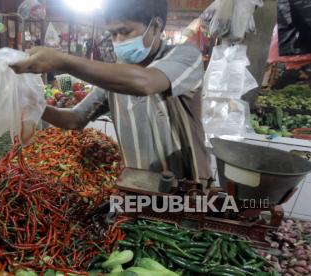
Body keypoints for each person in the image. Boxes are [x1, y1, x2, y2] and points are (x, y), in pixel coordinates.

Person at [11, 0, 211, 182]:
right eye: (113, 34)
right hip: (138, 186)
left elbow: (145, 83)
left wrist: (62, 61)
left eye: (125, 32)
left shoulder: (186, 57)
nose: (118, 40)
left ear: (156, 25)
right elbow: (74, 119)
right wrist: (34, 105)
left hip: (188, 187)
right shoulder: (116, 76)